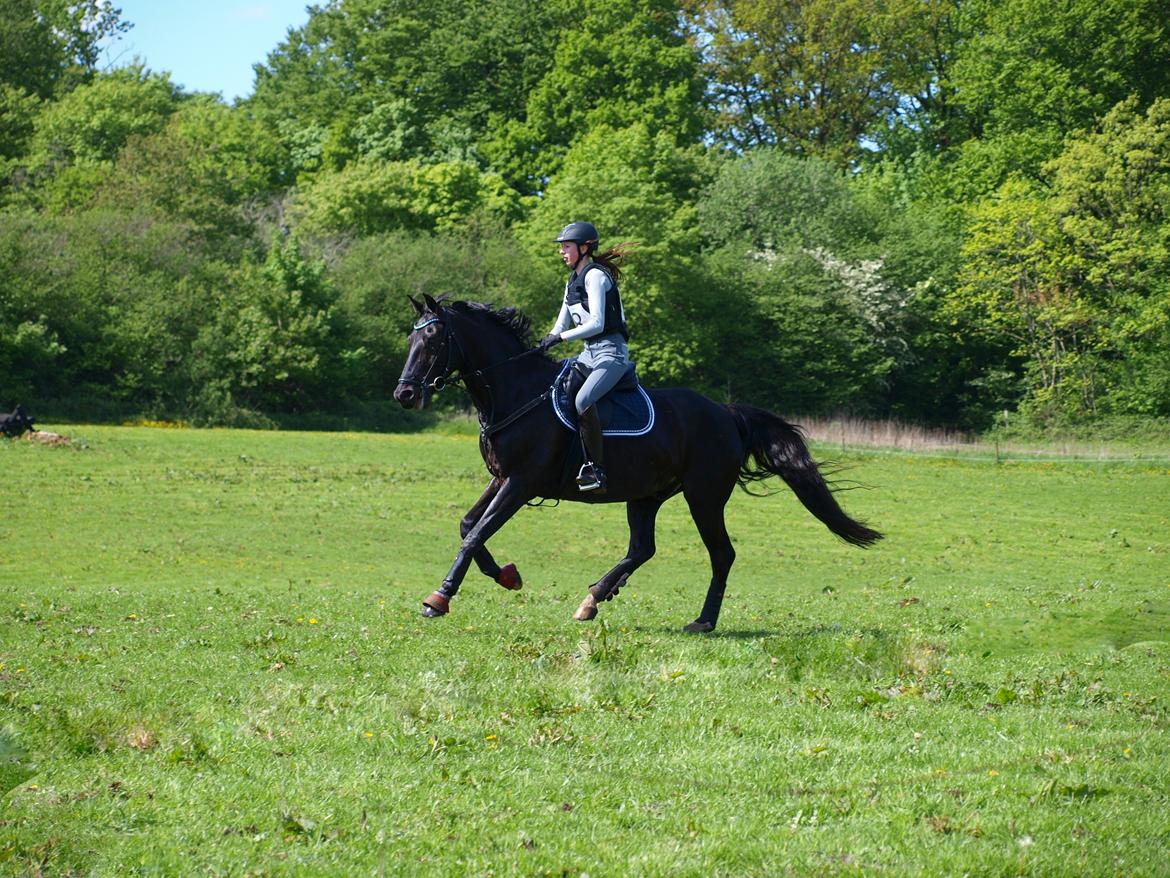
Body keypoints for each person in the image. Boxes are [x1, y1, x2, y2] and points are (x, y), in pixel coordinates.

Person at [539, 221, 633, 493]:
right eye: (562, 247)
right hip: (588, 354)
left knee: (583, 399)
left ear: (584, 248)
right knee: (557, 391)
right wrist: (544, 342)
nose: (562, 252)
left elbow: (597, 324)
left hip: (611, 355)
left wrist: (562, 338)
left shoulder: (596, 276)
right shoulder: (571, 281)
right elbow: (560, 325)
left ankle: (596, 470)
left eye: (566, 246)